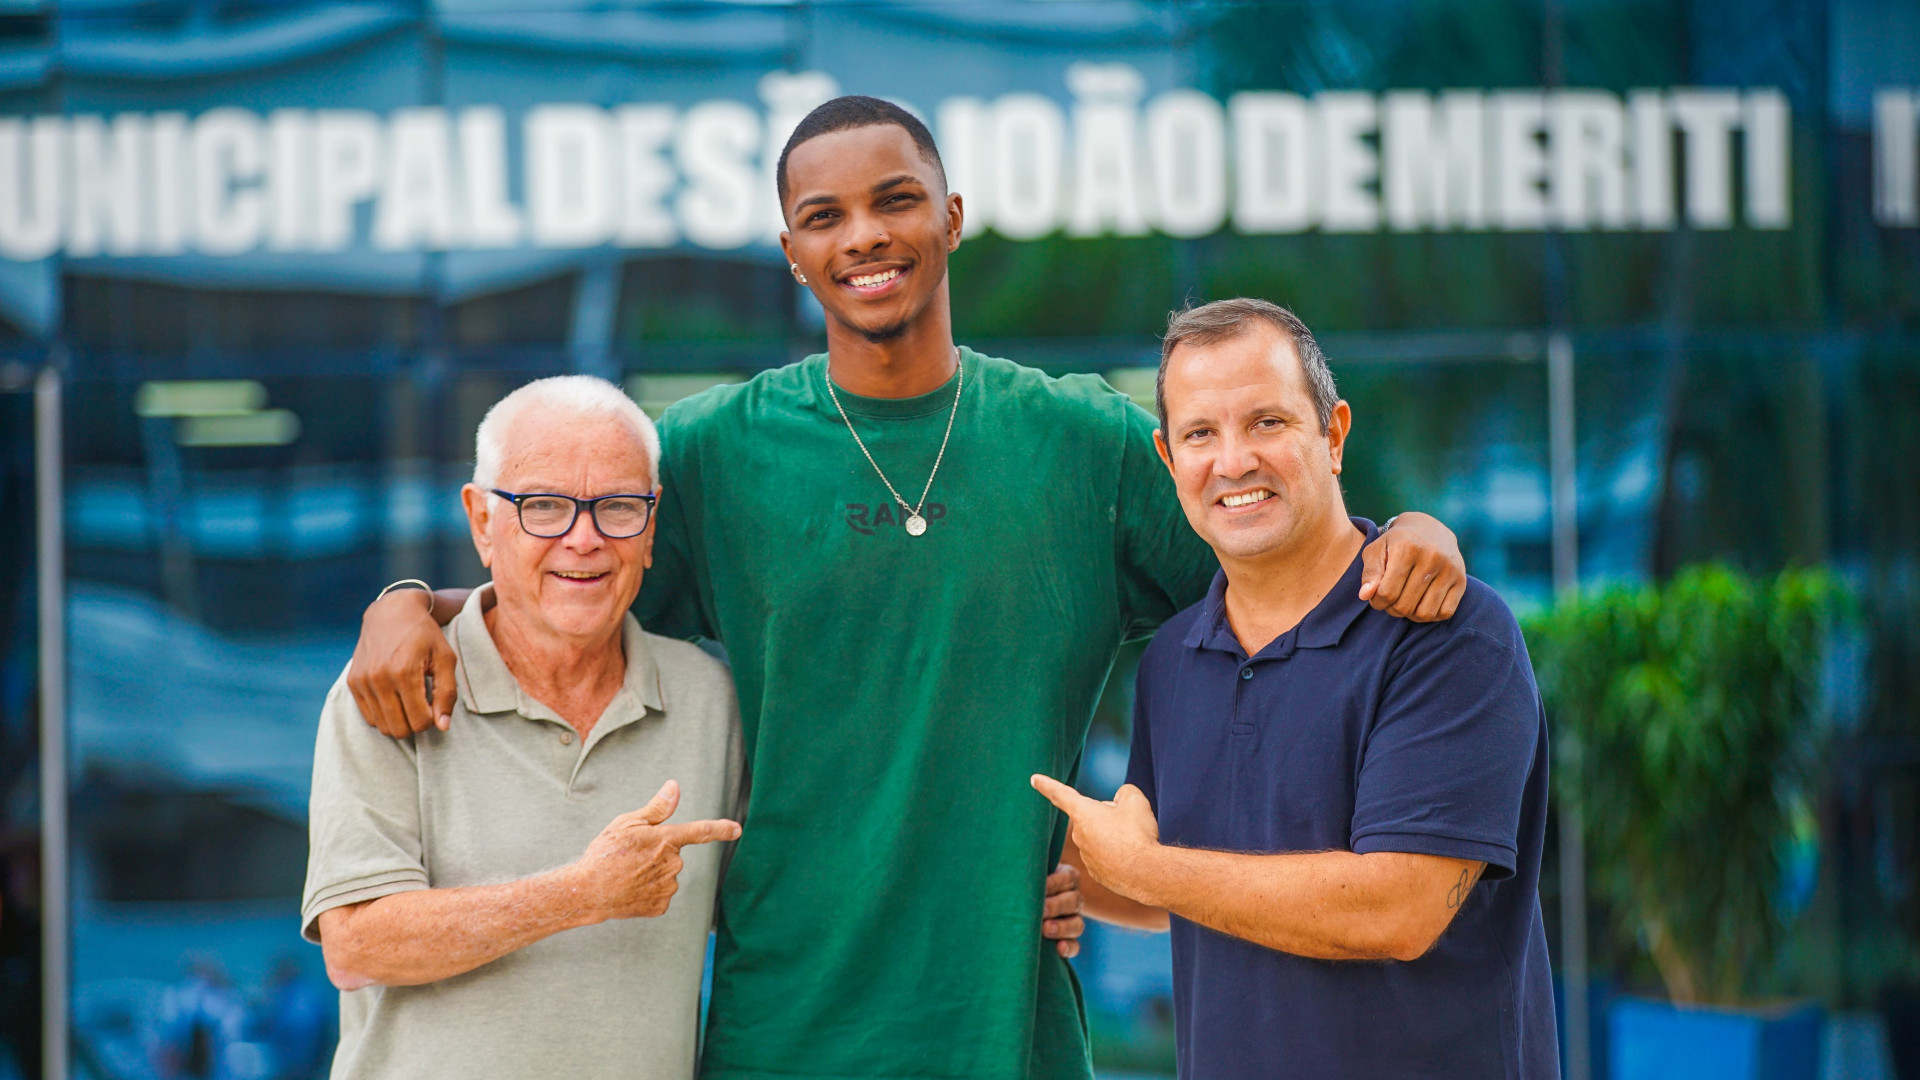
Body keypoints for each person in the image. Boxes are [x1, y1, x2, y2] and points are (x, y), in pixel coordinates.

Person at [346, 98, 1470, 1080]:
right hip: (783, 1032)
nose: (865, 235)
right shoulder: (718, 453)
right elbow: (566, 572)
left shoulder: (1083, 446)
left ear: (952, 217)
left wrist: (1408, 534)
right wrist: (411, 603)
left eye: (895, 201)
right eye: (825, 217)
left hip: (1010, 1032)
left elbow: (1283, 586)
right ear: (792, 252)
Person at [1034, 298, 1556, 1079]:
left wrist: (1144, 868)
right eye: (1200, 434)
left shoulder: (1450, 634)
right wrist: (1053, 876)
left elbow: (1397, 909)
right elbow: (1177, 888)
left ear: (1334, 435)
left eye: (1267, 422)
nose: (1234, 460)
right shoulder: (1173, 659)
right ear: (1168, 460)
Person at [301, 377, 746, 1079]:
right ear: (482, 522)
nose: (584, 539)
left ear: (651, 527)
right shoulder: (393, 686)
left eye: (618, 507)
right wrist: (584, 894)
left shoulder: (712, 701)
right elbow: (355, 946)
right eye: (543, 506)